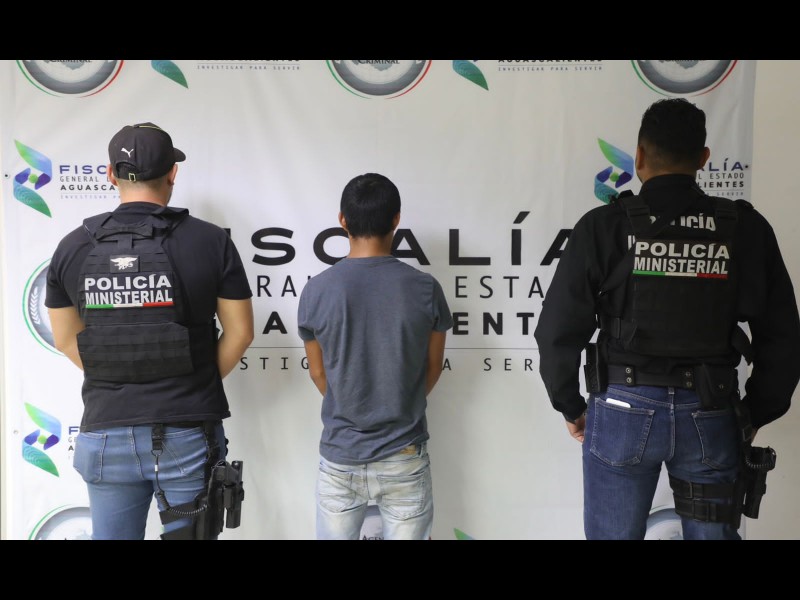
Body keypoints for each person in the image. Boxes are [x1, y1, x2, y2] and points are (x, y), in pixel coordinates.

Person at [534, 98, 800, 540]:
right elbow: (783, 336)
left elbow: (557, 329)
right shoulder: (745, 229)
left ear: (639, 156)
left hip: (621, 409)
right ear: (703, 158)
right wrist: (755, 412)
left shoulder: (603, 226)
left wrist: (571, 406)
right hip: (711, 411)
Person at [45, 122, 254, 540]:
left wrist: (120, 372)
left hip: (105, 435)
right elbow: (241, 332)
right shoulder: (210, 242)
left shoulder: (71, 247)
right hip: (187, 433)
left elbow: (66, 339)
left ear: (110, 174)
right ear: (173, 173)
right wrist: (193, 381)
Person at [297, 172, 453, 540]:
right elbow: (433, 367)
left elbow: (318, 373)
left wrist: (351, 404)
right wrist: (399, 403)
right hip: (404, 454)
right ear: (396, 219)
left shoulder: (316, 291)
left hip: (340, 454)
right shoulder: (425, 288)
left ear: (342, 220)